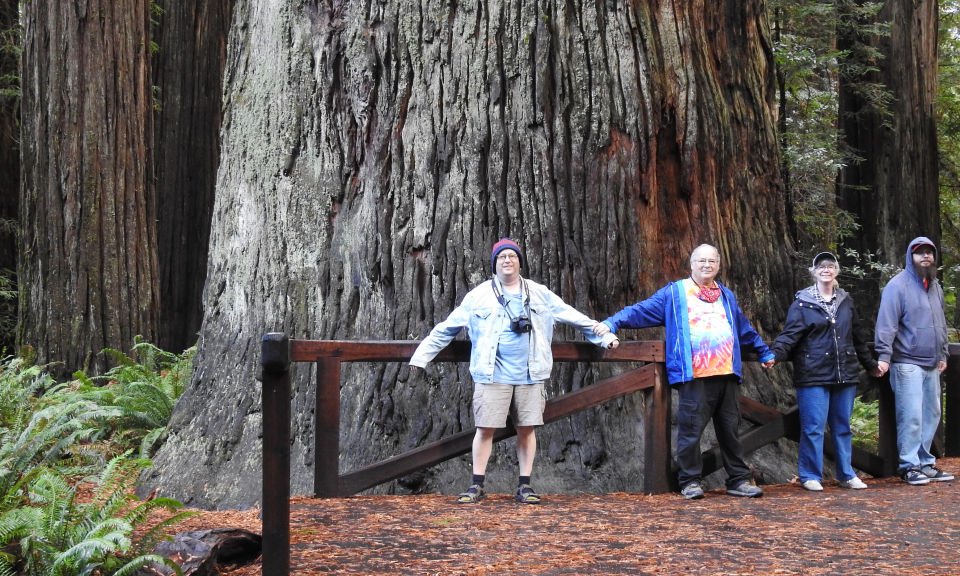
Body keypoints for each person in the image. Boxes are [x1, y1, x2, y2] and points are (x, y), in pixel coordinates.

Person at [409, 238, 617, 504]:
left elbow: (572, 316)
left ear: (519, 261)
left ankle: (525, 485)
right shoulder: (479, 296)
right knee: (484, 429)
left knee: (527, 429)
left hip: (531, 373)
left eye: (512, 256)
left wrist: (604, 336)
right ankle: (476, 485)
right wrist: (421, 357)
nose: (507, 260)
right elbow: (446, 329)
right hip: (491, 374)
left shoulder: (539, 292)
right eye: (502, 257)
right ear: (495, 264)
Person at [594, 244, 775, 500]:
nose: (706, 265)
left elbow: (743, 327)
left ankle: (739, 480)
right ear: (691, 264)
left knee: (730, 431)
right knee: (691, 433)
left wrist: (764, 351)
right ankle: (689, 481)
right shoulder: (676, 292)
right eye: (701, 261)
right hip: (695, 376)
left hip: (726, 374)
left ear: (719, 265)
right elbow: (639, 310)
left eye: (712, 261)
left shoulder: (726, 295)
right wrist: (612, 322)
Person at [771, 252, 880, 491]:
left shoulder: (845, 301)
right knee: (813, 427)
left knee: (842, 426)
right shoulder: (802, 302)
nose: (826, 270)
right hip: (813, 373)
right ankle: (810, 475)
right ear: (814, 272)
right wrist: (774, 355)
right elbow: (790, 335)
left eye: (831, 266)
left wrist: (871, 364)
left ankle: (847, 474)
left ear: (837, 271)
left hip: (845, 373)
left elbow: (858, 337)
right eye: (821, 266)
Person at [875, 237, 955, 485]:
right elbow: (886, 325)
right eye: (920, 253)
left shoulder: (935, 287)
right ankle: (909, 466)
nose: (925, 257)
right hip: (906, 361)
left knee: (931, 414)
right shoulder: (897, 286)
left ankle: (925, 463)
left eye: (929, 253)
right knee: (911, 416)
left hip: (932, 362)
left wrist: (943, 354)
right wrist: (884, 356)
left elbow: (940, 324)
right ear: (911, 257)